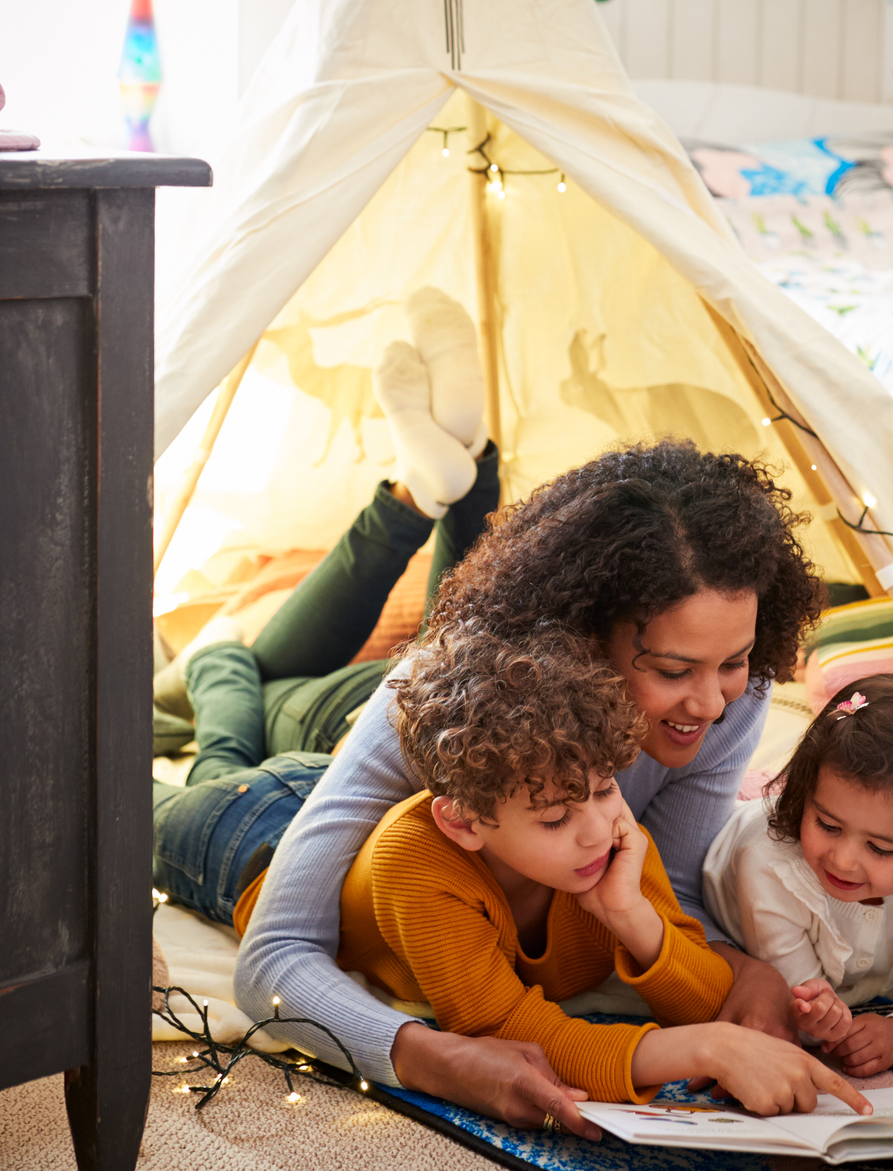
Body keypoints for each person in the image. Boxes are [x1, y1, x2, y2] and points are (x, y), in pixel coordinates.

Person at [233, 438, 829, 1139]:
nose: (713, 703)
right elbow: (273, 956)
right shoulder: (422, 698)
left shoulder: (731, 695)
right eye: (672, 670)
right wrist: (434, 1057)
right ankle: (226, 666)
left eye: (733, 660)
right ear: (577, 636)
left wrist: (741, 968)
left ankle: (460, 472)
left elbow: (663, 888)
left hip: (467, 831)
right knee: (231, 723)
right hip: (266, 809)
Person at [229, 625, 870, 1117]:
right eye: (555, 818)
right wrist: (704, 1050)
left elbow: (708, 998)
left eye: (603, 789)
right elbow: (503, 1029)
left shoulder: (613, 841)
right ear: (464, 822)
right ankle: (221, 660)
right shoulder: (421, 860)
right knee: (182, 782)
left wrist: (631, 916)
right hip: (254, 830)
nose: (597, 828)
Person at [151, 288, 500, 926]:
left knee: (463, 634)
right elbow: (220, 663)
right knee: (231, 661)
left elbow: (224, 670)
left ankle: (452, 477)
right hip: (364, 715)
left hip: (384, 704)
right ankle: (422, 489)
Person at [702, 674, 893, 1078]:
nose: (843, 860)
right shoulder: (767, 866)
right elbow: (796, 1008)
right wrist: (817, 1015)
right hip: (730, 841)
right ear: (806, 793)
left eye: (879, 848)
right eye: (827, 824)